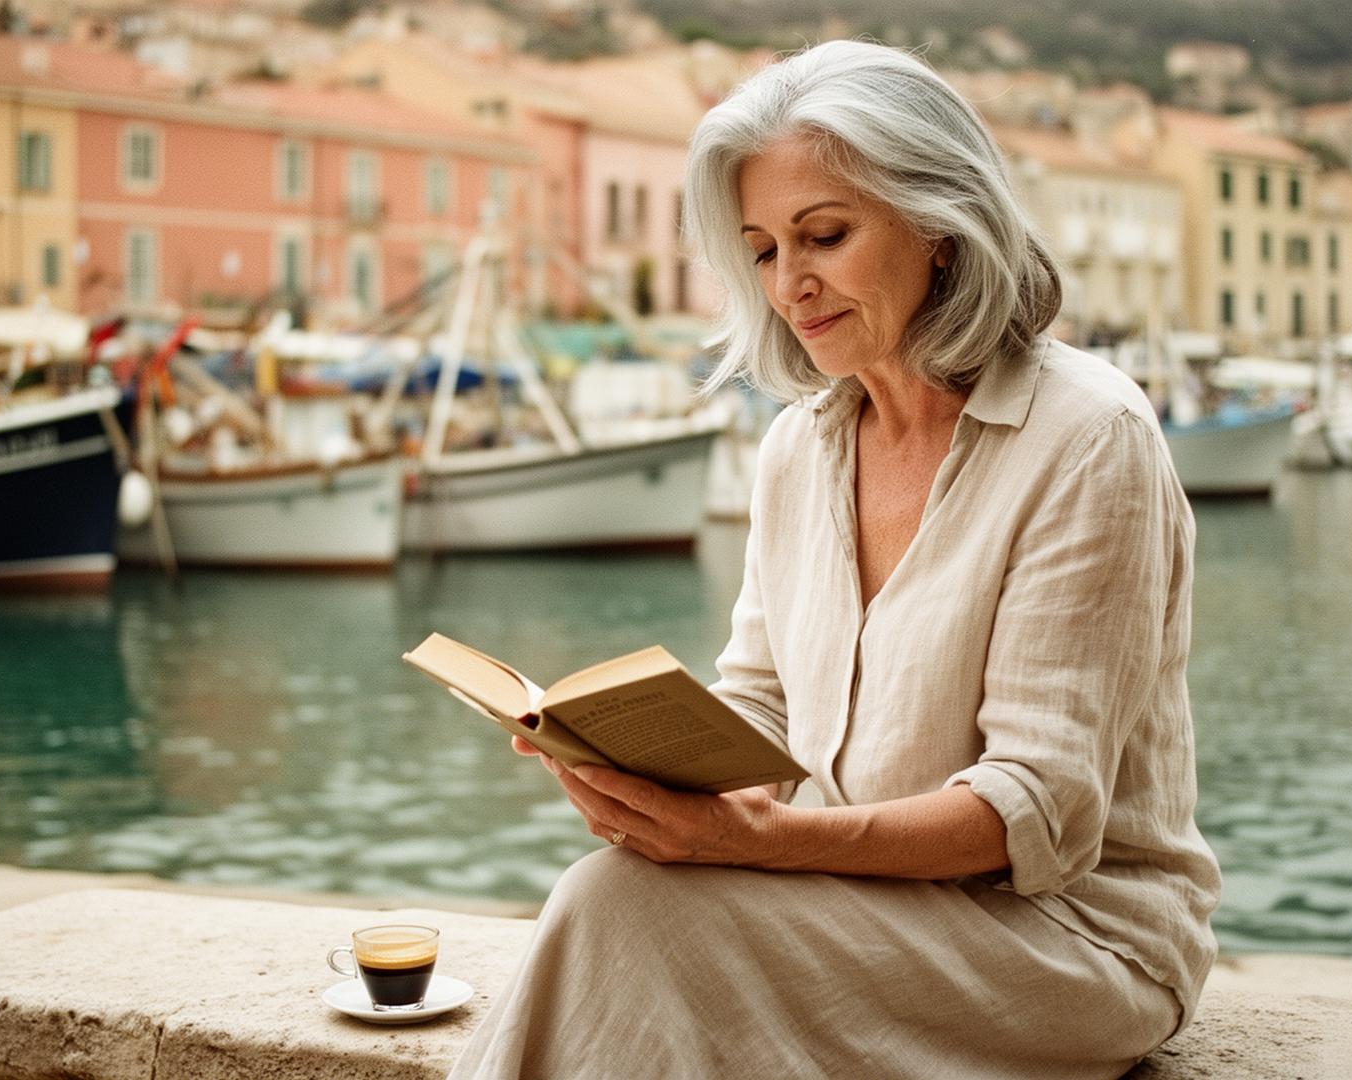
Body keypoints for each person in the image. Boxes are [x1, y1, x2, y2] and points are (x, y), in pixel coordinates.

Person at [449, 41, 1221, 1080]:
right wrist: (637, 768)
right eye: (762, 249)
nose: (789, 285)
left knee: (618, 913)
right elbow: (762, 709)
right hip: (855, 905)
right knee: (616, 892)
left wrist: (757, 845)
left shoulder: (1087, 439)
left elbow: (1038, 807)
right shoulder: (796, 450)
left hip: (1068, 939)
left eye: (824, 235)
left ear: (942, 227)